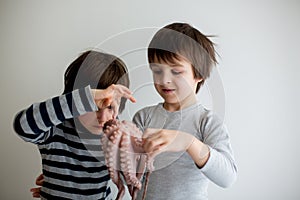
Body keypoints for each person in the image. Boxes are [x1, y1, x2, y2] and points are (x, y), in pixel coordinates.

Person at [133, 22, 237, 199]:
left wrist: (188, 142)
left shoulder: (207, 122)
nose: (164, 80)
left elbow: (228, 177)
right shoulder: (144, 117)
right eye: (157, 71)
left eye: (176, 72)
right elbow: (127, 173)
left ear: (199, 74)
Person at [13, 50, 136, 199]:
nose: (102, 117)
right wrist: (88, 96)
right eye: (93, 106)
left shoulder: (115, 138)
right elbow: (23, 126)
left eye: (110, 107)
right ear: (77, 101)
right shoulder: (54, 130)